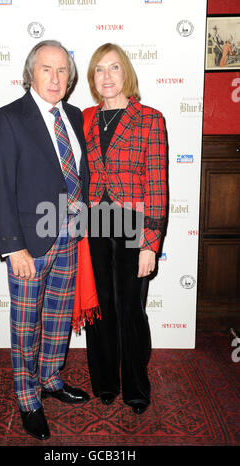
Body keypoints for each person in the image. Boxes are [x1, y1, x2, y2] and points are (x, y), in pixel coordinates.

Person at [0, 40, 90, 440]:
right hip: (29, 243)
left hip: (69, 238)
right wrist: (13, 247)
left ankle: (50, 380)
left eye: (62, 71)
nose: (55, 78)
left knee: (59, 319)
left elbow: (78, 175)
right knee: (26, 325)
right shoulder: (8, 119)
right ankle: (28, 398)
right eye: (47, 69)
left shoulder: (75, 117)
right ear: (31, 72)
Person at [83, 43, 167, 414]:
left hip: (133, 221)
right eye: (99, 69)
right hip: (95, 220)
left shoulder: (150, 118)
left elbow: (158, 185)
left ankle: (135, 385)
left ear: (126, 73)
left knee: (131, 307)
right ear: (92, 78)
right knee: (100, 306)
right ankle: (104, 382)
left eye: (114, 68)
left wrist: (151, 243)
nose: (106, 76)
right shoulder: (85, 118)